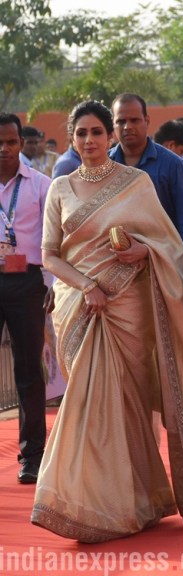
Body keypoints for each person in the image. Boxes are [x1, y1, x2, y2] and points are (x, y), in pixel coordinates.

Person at [32, 101, 183, 543]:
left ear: (109, 137)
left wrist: (144, 251)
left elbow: (170, 244)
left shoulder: (136, 182)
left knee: (127, 403)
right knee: (87, 402)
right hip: (80, 307)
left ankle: (135, 502)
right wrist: (86, 286)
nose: (89, 140)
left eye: (97, 132)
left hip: (128, 306)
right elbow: (49, 255)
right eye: (81, 133)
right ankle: (86, 503)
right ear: (72, 138)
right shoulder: (60, 187)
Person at [0, 112, 50, 484]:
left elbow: (53, 239)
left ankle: (33, 456)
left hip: (28, 283)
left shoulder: (41, 185)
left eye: (10, 142)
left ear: (20, 143)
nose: (3, 149)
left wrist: (50, 283)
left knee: (29, 371)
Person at [109, 93, 183, 255]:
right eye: (121, 121)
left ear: (147, 120)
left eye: (134, 120)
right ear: (113, 124)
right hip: (114, 261)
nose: (127, 127)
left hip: (163, 261)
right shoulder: (105, 165)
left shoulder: (172, 165)